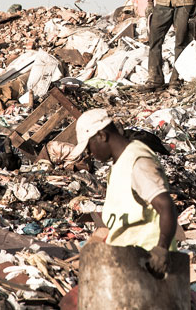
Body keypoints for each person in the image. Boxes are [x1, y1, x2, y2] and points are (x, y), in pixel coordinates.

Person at [69, 109, 177, 275]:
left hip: (149, 263)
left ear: (102, 136)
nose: (90, 154)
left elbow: (165, 205)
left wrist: (161, 250)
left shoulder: (137, 161)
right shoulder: (119, 165)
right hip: (128, 262)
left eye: (89, 147)